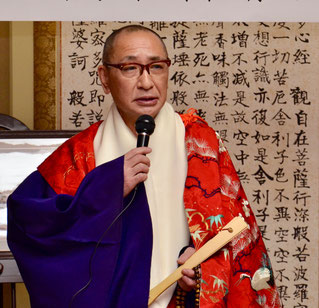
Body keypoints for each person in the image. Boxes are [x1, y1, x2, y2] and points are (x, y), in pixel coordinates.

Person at [7, 25, 282, 308]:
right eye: (130, 68)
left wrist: (202, 267)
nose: (147, 82)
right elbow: (28, 226)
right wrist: (106, 189)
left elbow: (239, 239)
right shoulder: (79, 154)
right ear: (104, 77)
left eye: (157, 67)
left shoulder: (201, 143)